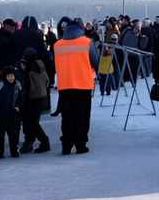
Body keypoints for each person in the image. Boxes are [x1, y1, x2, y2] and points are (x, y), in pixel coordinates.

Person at [53, 20, 99, 155]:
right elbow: (95, 62)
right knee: (82, 116)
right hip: (83, 85)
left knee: (67, 117)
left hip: (65, 85)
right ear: (81, 29)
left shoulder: (57, 45)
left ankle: (66, 145)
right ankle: (80, 144)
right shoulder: (87, 42)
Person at [18, 47, 51, 154]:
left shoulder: (29, 69)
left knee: (31, 123)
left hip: (31, 99)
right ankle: (30, 142)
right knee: (32, 122)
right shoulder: (40, 65)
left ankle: (43, 141)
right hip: (41, 98)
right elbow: (47, 81)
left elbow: (27, 87)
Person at [0, 66, 24, 158]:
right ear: (5, 77)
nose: (11, 78)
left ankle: (14, 151)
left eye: (12, 76)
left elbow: (21, 97)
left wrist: (18, 106)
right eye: (8, 76)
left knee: (14, 134)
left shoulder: (18, 85)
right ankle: (0, 152)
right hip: (1, 114)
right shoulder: (0, 86)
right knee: (0, 135)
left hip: (13, 114)